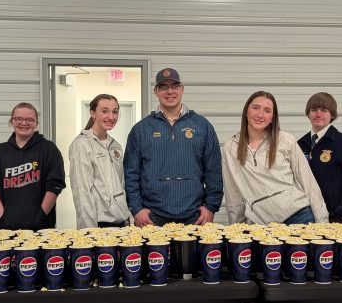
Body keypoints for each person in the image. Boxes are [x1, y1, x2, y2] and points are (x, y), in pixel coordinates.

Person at [124, 67, 223, 227]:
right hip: (151, 218)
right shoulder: (141, 129)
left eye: (175, 86)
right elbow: (131, 174)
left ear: (182, 89)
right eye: (164, 87)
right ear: (156, 91)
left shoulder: (202, 126)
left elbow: (214, 170)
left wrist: (211, 207)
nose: (170, 91)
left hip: (194, 216)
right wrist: (136, 209)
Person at [222, 91, 328, 225]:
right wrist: (237, 227)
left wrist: (322, 223)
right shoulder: (231, 147)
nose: (260, 115)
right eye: (256, 108)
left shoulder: (285, 140)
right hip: (260, 224)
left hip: (299, 216)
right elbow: (233, 194)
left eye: (267, 111)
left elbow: (308, 183)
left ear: (272, 117)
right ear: (246, 111)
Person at [0, 102, 65, 231]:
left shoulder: (49, 149)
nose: (24, 123)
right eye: (18, 119)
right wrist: (2, 216)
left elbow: (55, 185)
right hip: (6, 230)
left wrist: (41, 215)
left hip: (42, 230)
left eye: (30, 119)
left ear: (36, 123)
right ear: (11, 122)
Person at [297, 92, 342, 223]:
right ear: (308, 114)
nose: (318, 114)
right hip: (304, 217)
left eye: (324, 110)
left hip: (333, 218)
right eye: (314, 110)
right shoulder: (300, 144)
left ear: (332, 115)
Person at [69, 94, 129, 229]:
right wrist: (89, 231)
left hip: (121, 222)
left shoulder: (115, 145)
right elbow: (82, 193)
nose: (111, 117)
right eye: (104, 111)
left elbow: (120, 186)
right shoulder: (82, 144)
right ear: (93, 113)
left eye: (115, 112)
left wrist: (127, 219)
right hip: (99, 225)